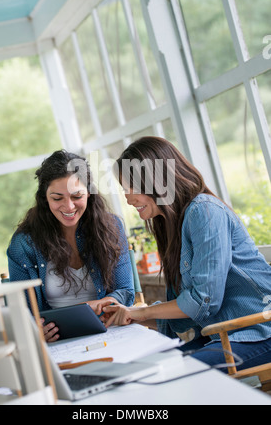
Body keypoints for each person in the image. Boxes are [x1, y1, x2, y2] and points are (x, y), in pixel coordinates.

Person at [102, 136, 271, 372]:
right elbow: (187, 314)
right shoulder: (171, 225)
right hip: (224, 334)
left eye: (131, 188)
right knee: (148, 369)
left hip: (260, 330)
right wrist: (133, 316)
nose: (128, 199)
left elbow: (203, 300)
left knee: (175, 374)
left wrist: (141, 311)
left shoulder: (204, 210)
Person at [7, 150, 134, 342]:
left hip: (111, 331)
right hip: (57, 342)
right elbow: (22, 313)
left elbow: (126, 291)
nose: (68, 207)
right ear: (44, 198)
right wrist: (35, 329)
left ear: (89, 192)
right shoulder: (23, 244)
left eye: (76, 196)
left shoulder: (112, 227)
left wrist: (100, 305)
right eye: (57, 198)